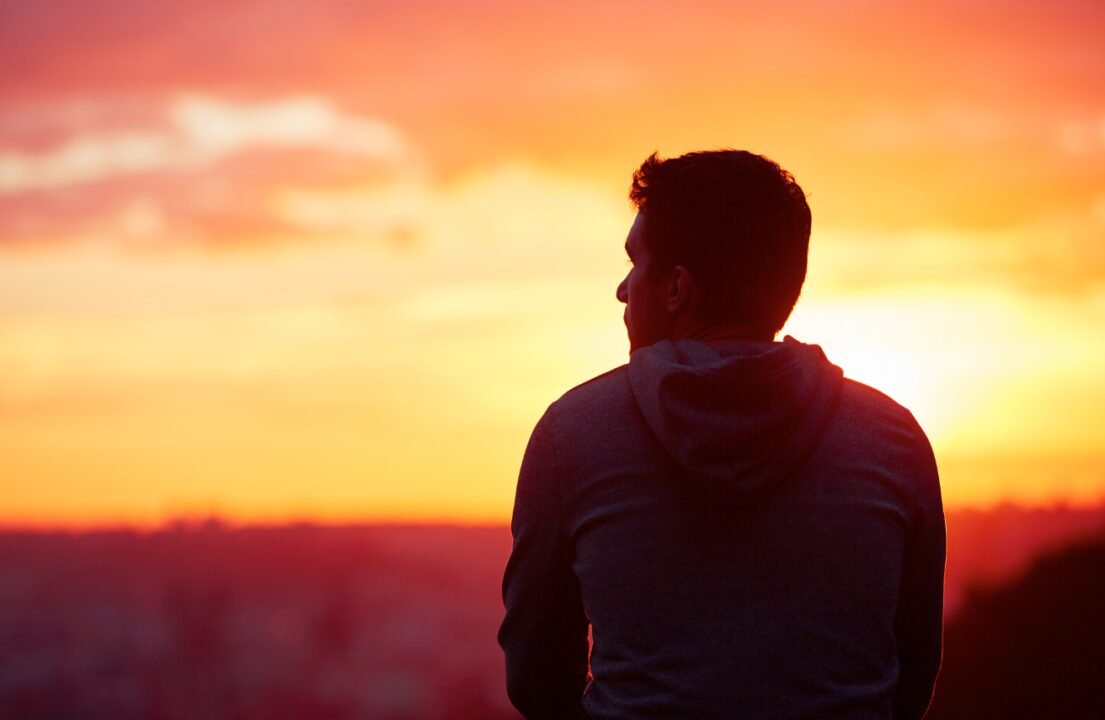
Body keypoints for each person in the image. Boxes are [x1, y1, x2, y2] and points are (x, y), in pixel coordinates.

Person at [498, 150, 945, 720]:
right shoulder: (895, 442)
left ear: (677, 288)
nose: (621, 289)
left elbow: (537, 683)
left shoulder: (572, 436)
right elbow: (912, 673)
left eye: (636, 263)